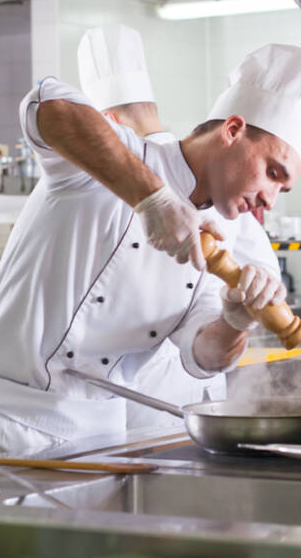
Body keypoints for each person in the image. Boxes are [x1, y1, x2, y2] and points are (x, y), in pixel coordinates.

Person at [0, 43, 301, 461]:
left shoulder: (222, 238)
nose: (270, 199)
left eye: (283, 187)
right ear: (234, 129)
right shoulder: (119, 158)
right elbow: (45, 105)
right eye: (272, 173)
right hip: (2, 428)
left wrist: (234, 320)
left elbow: (202, 355)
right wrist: (154, 199)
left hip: (102, 438)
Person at [76, 26, 281, 430]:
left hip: (152, 395)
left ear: (107, 122)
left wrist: (238, 315)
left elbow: (262, 294)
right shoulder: (197, 178)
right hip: (164, 398)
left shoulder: (209, 186)